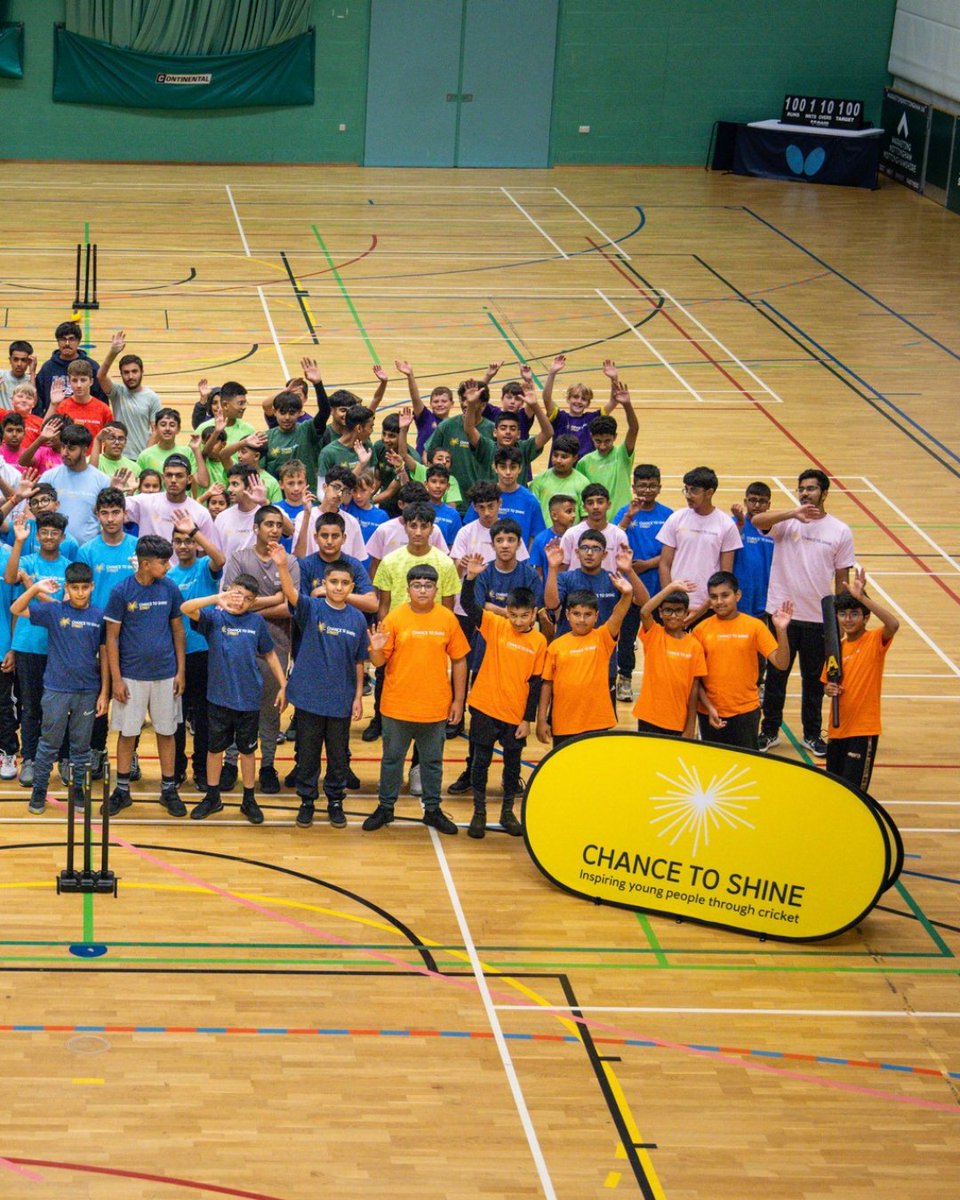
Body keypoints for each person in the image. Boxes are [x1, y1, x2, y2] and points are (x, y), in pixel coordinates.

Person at [752, 469, 855, 758]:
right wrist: (790, 513)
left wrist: (841, 618)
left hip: (818, 618)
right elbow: (756, 520)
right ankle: (769, 730)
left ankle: (812, 733)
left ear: (824, 493)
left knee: (814, 681)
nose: (805, 493)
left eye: (811, 488)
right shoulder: (787, 522)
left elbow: (842, 578)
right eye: (801, 489)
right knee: (775, 677)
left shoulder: (839, 531)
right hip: (782, 615)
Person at [362, 564, 470, 835]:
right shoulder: (395, 618)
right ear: (408, 589)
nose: (423, 590)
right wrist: (375, 649)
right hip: (397, 706)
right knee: (391, 760)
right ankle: (386, 807)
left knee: (432, 763)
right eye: (417, 585)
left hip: (434, 707)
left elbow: (459, 660)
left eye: (428, 585)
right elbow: (379, 662)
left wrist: (458, 701)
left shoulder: (447, 619)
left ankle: (432, 810)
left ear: (436, 589)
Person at [269, 545, 368, 828]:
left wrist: (359, 695)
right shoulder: (312, 608)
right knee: (308, 753)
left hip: (341, 699)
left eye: (344, 583)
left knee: (338, 756)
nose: (338, 587)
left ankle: (335, 800)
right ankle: (307, 801)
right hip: (310, 698)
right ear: (324, 584)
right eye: (333, 582)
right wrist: (281, 567)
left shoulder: (357, 618)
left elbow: (360, 660)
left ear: (351, 586)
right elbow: (290, 595)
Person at [180, 576, 287, 824]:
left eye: (247, 598)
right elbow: (186, 608)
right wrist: (218, 598)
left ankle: (249, 799)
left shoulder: (257, 622)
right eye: (236, 595)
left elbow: (270, 655)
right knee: (215, 749)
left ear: (253, 602)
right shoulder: (215, 618)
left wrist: (283, 685)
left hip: (249, 699)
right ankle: (212, 796)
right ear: (228, 592)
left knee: (247, 751)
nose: (240, 602)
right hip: (218, 698)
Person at [458, 552, 546, 838]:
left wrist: (527, 719)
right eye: (514, 615)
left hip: (514, 715)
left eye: (524, 615)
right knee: (480, 763)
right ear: (506, 612)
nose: (518, 621)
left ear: (534, 613)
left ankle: (508, 812)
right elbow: (470, 606)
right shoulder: (496, 626)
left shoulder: (539, 641)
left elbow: (534, 683)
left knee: (511, 767)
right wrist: (470, 578)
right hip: (484, 707)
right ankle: (479, 812)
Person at [12, 564, 109, 815]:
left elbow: (105, 655)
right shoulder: (54, 610)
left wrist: (104, 692)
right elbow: (16, 608)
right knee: (49, 744)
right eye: (74, 588)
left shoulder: (99, 617)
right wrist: (34, 587)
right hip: (56, 690)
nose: (79, 593)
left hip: (88, 692)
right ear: (67, 588)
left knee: (80, 747)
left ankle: (78, 790)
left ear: (92, 587)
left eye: (84, 588)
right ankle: (39, 791)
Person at [103, 535, 186, 816]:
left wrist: (180, 671)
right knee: (128, 733)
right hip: (131, 676)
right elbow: (111, 639)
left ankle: (168, 789)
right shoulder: (121, 591)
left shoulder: (170, 589)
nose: (168, 565)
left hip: (165, 675)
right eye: (164, 562)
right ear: (146, 563)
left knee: (166, 731)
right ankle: (122, 790)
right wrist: (116, 679)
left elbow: (178, 631)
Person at [220, 505, 299, 794]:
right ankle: (230, 762)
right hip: (238, 643)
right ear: (256, 528)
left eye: (279, 525)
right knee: (234, 705)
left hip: (276, 643)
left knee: (270, 707)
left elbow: (292, 607)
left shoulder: (289, 563)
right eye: (268, 524)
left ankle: (267, 765)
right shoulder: (239, 559)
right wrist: (274, 599)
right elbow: (232, 602)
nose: (275, 529)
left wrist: (255, 605)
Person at [5, 510, 73, 785]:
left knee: (63, 706)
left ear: (62, 537)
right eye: (43, 531)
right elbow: (10, 579)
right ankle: (30, 759)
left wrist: (33, 587)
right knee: (30, 707)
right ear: (38, 534)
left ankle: (66, 759)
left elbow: (64, 607)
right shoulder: (26, 560)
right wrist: (19, 541)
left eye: (53, 532)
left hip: (59, 648)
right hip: (28, 645)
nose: (47, 536)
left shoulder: (69, 567)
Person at [77, 487, 139, 779]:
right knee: (97, 695)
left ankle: (132, 752)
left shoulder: (137, 548)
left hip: (132, 632)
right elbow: (81, 594)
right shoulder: (87, 550)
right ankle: (97, 750)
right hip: (97, 634)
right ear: (97, 515)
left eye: (116, 512)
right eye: (105, 513)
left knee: (132, 696)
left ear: (125, 514)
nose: (111, 518)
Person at [693, 572, 792, 750]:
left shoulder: (755, 626)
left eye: (725, 595)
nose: (719, 601)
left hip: (746, 712)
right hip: (710, 713)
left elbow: (781, 663)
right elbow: (695, 678)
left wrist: (781, 631)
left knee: (745, 771)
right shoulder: (700, 630)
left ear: (737, 595)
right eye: (714, 597)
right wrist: (708, 707)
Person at [536, 574, 635, 747]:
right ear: (567, 614)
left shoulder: (603, 637)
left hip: (597, 722)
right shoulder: (556, 646)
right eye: (576, 614)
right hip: (564, 723)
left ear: (597, 616)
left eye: (588, 614)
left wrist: (627, 594)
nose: (582, 620)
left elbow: (618, 614)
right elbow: (547, 684)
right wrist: (542, 719)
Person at [822, 567, 898, 791]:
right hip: (836, 730)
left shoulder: (874, 640)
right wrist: (828, 689)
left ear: (866, 617)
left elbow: (893, 624)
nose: (848, 619)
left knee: (855, 793)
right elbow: (828, 684)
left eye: (854, 613)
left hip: (862, 731)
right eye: (843, 614)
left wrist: (862, 597)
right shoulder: (835, 649)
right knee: (836, 790)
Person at [169, 510, 226, 793]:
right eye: (178, 541)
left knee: (204, 718)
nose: (183, 546)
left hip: (205, 652)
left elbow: (221, 559)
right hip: (176, 657)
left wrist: (195, 531)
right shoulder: (167, 576)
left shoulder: (205, 567)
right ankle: (177, 769)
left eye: (188, 541)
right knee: (177, 718)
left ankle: (202, 770)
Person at [614, 464, 672, 702]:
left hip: (658, 591)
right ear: (634, 486)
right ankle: (625, 679)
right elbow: (614, 537)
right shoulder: (625, 512)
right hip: (629, 591)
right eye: (642, 485)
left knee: (658, 638)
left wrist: (648, 565)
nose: (647, 490)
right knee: (626, 639)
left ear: (659, 487)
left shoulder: (669, 515)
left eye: (651, 485)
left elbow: (673, 551)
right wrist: (629, 517)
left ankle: (659, 679)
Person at [656, 466, 742, 624]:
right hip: (676, 608)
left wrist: (702, 609)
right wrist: (670, 602)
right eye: (686, 490)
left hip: (709, 609)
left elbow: (725, 576)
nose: (688, 495)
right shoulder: (676, 519)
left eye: (694, 491)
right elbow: (664, 564)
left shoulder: (726, 525)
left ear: (709, 493)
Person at [632, 581, 705, 738]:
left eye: (678, 611)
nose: (673, 616)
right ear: (660, 612)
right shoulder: (654, 634)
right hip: (649, 717)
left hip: (678, 721)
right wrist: (671, 587)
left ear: (686, 613)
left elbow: (694, 689)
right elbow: (644, 612)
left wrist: (691, 725)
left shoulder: (695, 646)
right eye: (668, 611)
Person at [96, 330, 162, 457]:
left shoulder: (152, 397)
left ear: (142, 372)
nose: (130, 376)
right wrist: (113, 353)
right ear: (121, 374)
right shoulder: (117, 393)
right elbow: (100, 376)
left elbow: (156, 431)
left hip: (140, 456)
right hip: (118, 456)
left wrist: (145, 456)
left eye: (134, 371)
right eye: (126, 372)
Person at [576, 379, 639, 514]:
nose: (603, 446)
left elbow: (634, 428)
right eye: (598, 441)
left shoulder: (622, 454)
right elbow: (583, 494)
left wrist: (627, 404)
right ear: (591, 437)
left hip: (623, 518)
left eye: (607, 441)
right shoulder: (584, 462)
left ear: (615, 437)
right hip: (597, 519)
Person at [34, 321, 106, 416]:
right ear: (57, 341)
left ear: (79, 341)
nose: (67, 343)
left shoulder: (92, 366)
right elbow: (39, 400)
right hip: (55, 422)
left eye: (72, 339)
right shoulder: (47, 368)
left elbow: (101, 398)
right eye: (63, 339)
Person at [558, 483, 630, 572]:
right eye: (590, 503)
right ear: (584, 507)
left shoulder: (619, 535)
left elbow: (622, 570)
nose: (595, 507)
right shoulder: (571, 534)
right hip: (576, 586)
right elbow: (561, 568)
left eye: (600, 502)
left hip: (609, 585)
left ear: (609, 505)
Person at [394, 358, 454, 455]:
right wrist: (410, 376)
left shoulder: (454, 423)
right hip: (421, 465)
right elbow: (415, 398)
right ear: (430, 404)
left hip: (442, 467)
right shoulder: (426, 417)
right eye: (435, 401)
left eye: (444, 401)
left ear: (452, 404)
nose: (439, 404)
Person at [530, 433, 590, 524]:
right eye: (555, 455)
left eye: (564, 457)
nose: (558, 460)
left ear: (575, 458)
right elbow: (532, 512)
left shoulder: (583, 483)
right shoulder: (539, 480)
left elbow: (585, 516)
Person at [49, 362, 113, 440]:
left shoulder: (104, 409)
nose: (79, 385)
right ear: (69, 382)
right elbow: (46, 434)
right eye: (75, 380)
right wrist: (53, 404)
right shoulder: (62, 407)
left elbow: (110, 438)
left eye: (83, 380)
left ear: (91, 382)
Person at [529, 492, 577, 579]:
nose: (574, 515)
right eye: (569, 511)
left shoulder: (579, 537)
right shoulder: (540, 539)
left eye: (574, 511)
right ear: (554, 515)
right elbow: (537, 572)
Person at [0, 339, 35, 407]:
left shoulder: (32, 381)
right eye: (15, 359)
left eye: (23, 360)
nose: (19, 364)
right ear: (10, 360)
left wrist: (32, 373)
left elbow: (35, 403)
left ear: (29, 362)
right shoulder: (1, 375)